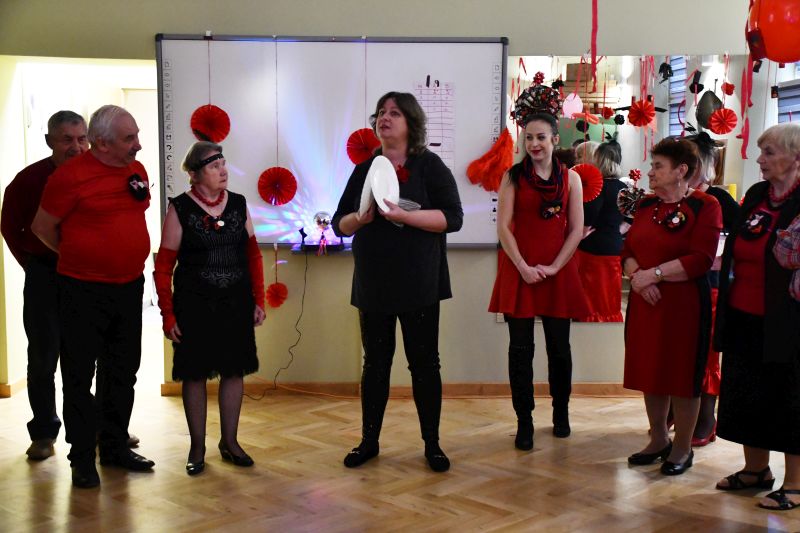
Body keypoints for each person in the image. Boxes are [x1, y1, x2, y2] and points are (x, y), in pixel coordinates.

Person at [332, 91, 463, 472]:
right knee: (375, 364)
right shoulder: (364, 169)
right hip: (374, 282)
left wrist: (406, 217)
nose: (384, 118)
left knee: (425, 365)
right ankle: (368, 441)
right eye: (380, 113)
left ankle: (432, 445)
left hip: (420, 282)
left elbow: (453, 218)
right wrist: (361, 218)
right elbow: (341, 225)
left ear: (411, 122)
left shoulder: (429, 166)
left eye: (394, 113)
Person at [31, 105, 155, 488]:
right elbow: (42, 228)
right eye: (129, 138)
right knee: (79, 376)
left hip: (129, 287)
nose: (138, 144)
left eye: (136, 135)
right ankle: (82, 458)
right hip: (82, 290)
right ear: (102, 143)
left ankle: (114, 447)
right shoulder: (69, 177)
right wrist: (78, 255)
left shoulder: (136, 170)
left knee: (123, 371)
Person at [489, 77, 588, 450]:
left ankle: (561, 413)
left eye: (541, 137)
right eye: (529, 137)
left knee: (560, 350)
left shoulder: (572, 179)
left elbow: (576, 230)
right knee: (520, 351)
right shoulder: (513, 177)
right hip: (519, 271)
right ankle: (524, 421)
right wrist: (523, 267)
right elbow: (503, 227)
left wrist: (556, 267)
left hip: (557, 273)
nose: (534, 144)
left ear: (555, 140)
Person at [154, 142, 265, 476]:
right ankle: (197, 448)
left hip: (236, 303)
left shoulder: (239, 204)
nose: (223, 170)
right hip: (194, 305)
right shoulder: (180, 208)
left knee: (234, 371)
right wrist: (167, 314)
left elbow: (253, 255)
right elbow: (163, 266)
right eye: (214, 166)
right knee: (195, 374)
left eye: (223, 163)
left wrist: (259, 299)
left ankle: (230, 443)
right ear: (194, 174)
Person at [713, 123, 800, 510]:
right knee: (748, 394)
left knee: (790, 398)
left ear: (795, 158)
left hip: (788, 320)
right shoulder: (756, 195)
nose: (760, 159)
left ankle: (795, 484)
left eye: (769, 152)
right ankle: (755, 470)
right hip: (743, 314)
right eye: (761, 151)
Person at [622, 138, 721, 476]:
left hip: (684, 306)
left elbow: (701, 258)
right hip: (646, 303)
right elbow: (627, 249)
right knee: (650, 371)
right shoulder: (646, 205)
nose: (650, 172)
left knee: (681, 375)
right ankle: (659, 439)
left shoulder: (705, 205)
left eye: (658, 166)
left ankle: (682, 448)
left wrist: (653, 275)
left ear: (681, 170)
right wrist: (638, 277)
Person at [1, 111, 88, 460]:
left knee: (85, 358)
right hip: (45, 276)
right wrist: (31, 265)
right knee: (42, 358)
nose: (76, 146)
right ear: (50, 141)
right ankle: (43, 434)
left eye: (81, 138)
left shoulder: (97, 175)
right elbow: (10, 227)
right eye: (67, 139)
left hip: (86, 277)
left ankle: (94, 430)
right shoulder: (29, 180)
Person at [685, 132, 740, 447]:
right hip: (678, 287)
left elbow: (739, 239)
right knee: (681, 353)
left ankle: (707, 417)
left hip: (711, 287)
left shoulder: (719, 199)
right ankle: (680, 413)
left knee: (705, 355)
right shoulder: (675, 197)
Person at [575, 136, 627, 322]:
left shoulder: (598, 187)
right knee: (609, 296)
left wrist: (579, 234)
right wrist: (615, 231)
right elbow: (630, 218)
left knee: (593, 297)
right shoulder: (623, 187)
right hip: (614, 246)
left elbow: (589, 217)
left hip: (594, 249)